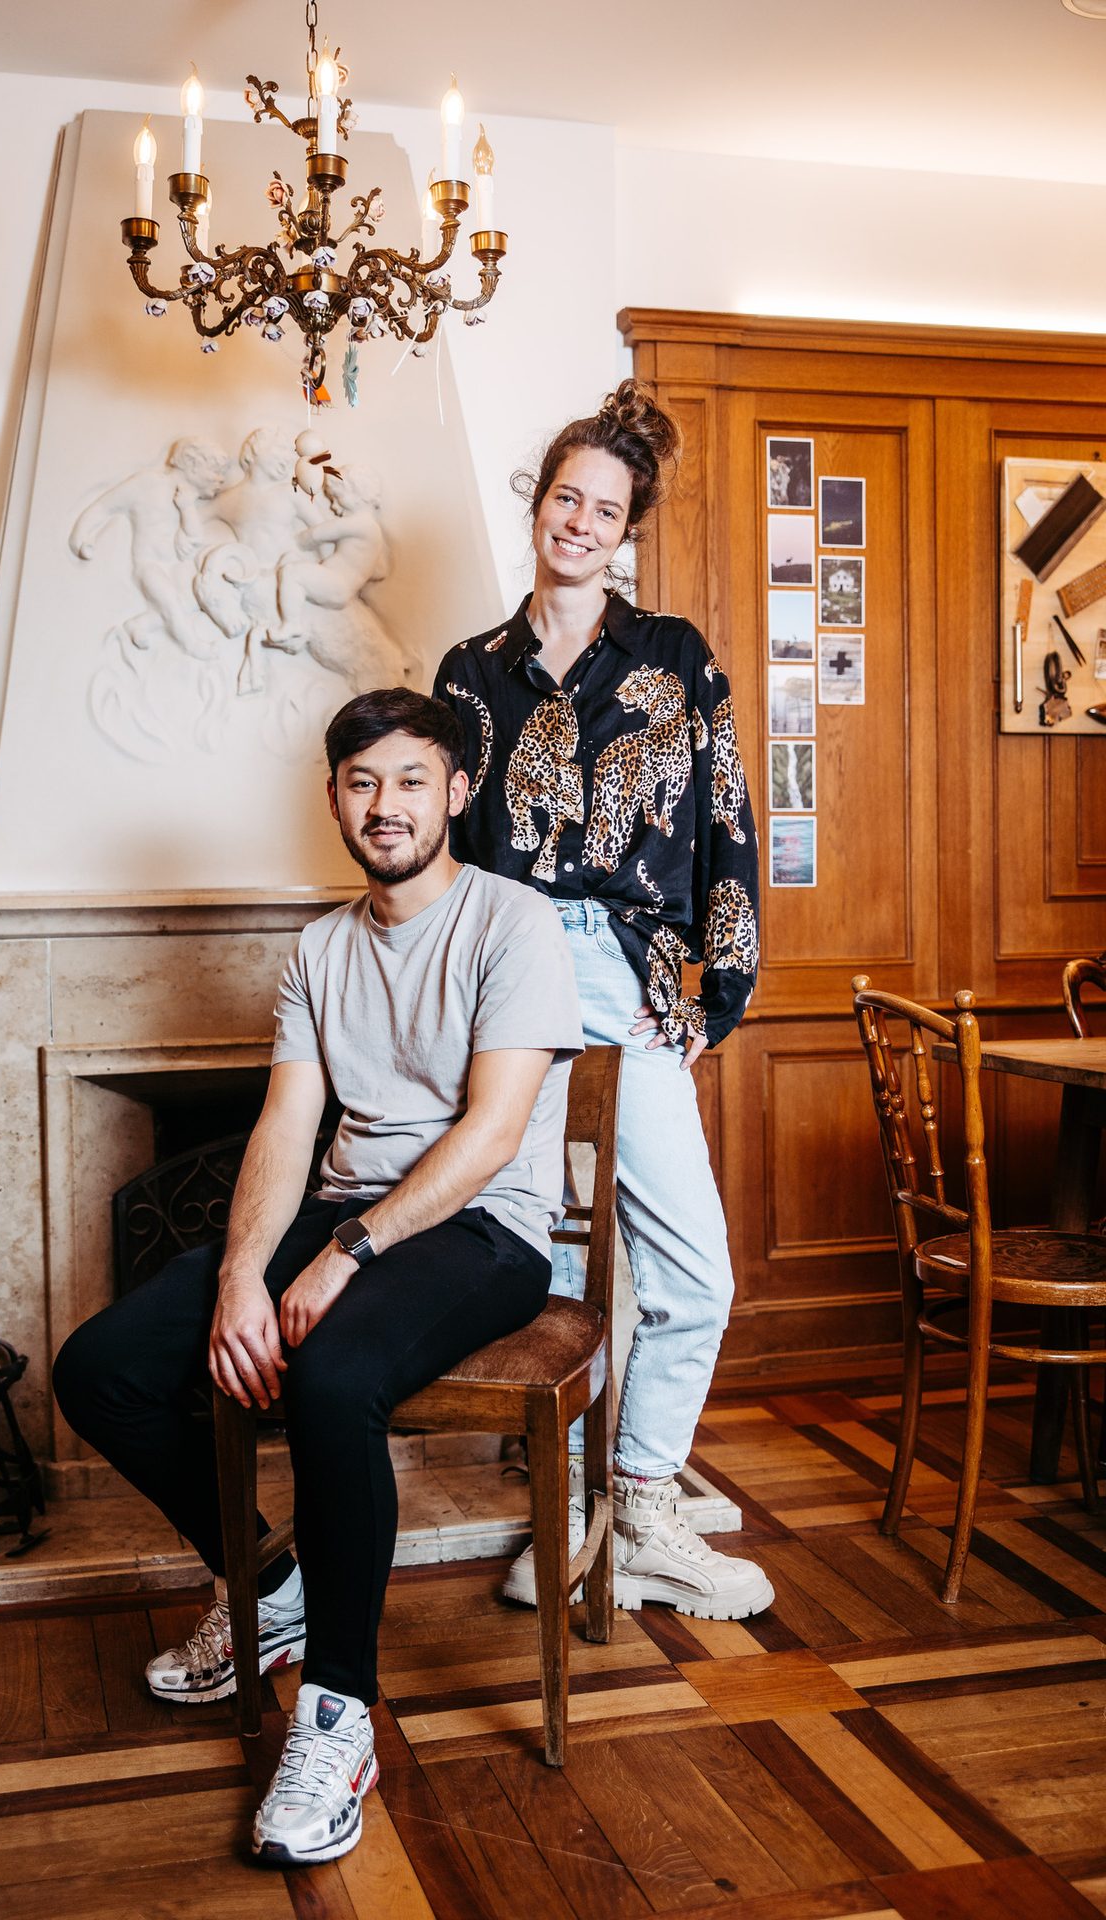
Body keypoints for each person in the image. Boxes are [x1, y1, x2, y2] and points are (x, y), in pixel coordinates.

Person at [53, 687, 583, 1867]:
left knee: (331, 1379)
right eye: (360, 783)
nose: (383, 805)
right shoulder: (320, 947)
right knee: (101, 1372)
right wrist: (245, 1273)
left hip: (482, 1231)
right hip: (345, 1215)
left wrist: (348, 1253)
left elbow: (493, 1133)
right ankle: (269, 1577)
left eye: (408, 781)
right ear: (334, 801)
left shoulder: (514, 924)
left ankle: (338, 1711)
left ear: (454, 794)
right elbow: (287, 1131)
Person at [433, 380, 774, 1622]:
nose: (579, 520)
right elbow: (446, 855)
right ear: (538, 507)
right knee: (532, 1264)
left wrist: (711, 987)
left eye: (604, 507)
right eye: (563, 496)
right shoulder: (469, 671)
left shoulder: (671, 658)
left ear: (627, 530)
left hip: (621, 971)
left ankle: (635, 1507)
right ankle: (570, 1513)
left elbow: (728, 819)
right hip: (506, 967)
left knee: (690, 1273)